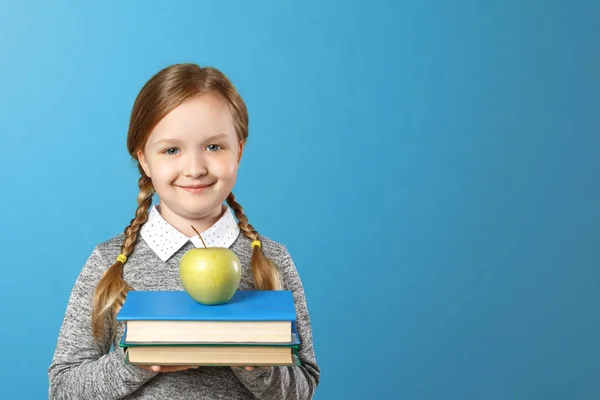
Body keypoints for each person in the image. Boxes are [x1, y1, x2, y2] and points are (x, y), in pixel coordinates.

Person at [48, 63, 320, 399]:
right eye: (171, 150)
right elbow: (62, 388)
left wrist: (255, 360)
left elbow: (303, 386)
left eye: (214, 147)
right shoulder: (109, 260)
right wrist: (137, 361)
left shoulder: (271, 259)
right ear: (144, 159)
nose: (195, 169)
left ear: (240, 150)